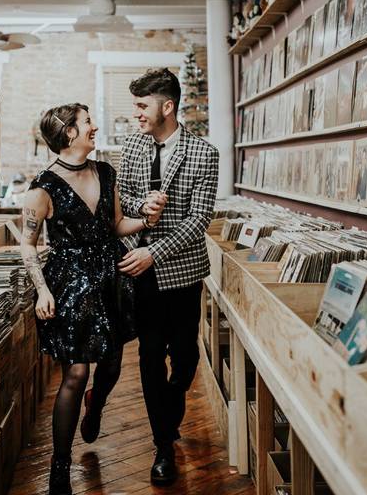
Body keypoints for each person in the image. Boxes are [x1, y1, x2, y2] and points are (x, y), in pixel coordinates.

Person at [19, 103, 164, 495]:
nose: (94, 126)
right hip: (68, 284)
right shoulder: (41, 188)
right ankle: (60, 468)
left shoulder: (105, 171)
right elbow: (28, 246)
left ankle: (95, 405)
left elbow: (117, 225)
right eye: (87, 122)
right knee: (77, 371)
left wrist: (148, 219)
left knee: (112, 362)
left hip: (110, 277)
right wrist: (42, 290)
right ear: (68, 133)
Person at [117, 68, 219, 486]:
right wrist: (142, 207)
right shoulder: (132, 147)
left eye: (143, 105)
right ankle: (162, 446)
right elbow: (119, 199)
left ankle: (171, 402)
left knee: (186, 356)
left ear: (168, 106)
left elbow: (200, 219)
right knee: (148, 356)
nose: (137, 114)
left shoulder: (204, 153)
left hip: (181, 273)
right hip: (139, 275)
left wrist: (153, 252)